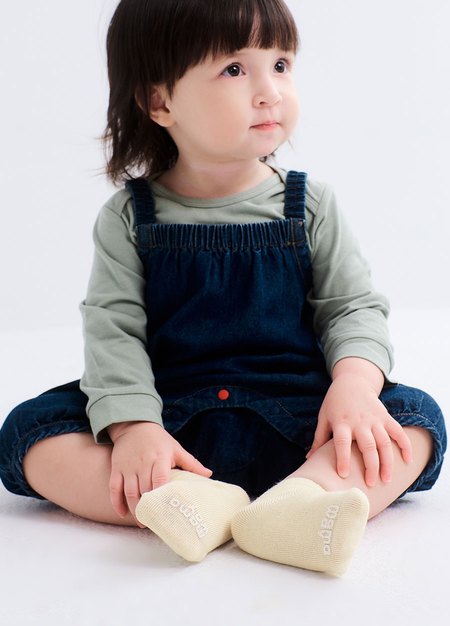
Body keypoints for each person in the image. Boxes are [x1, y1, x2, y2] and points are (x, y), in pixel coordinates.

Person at [0, 0, 446, 576]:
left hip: (299, 420)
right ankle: (183, 501)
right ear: (160, 102)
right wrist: (134, 428)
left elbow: (351, 308)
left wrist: (355, 387)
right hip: (170, 426)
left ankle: (303, 501)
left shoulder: (309, 205)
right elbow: (114, 330)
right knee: (29, 430)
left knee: (415, 417)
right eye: (235, 69)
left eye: (280, 64)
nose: (270, 92)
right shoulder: (130, 217)